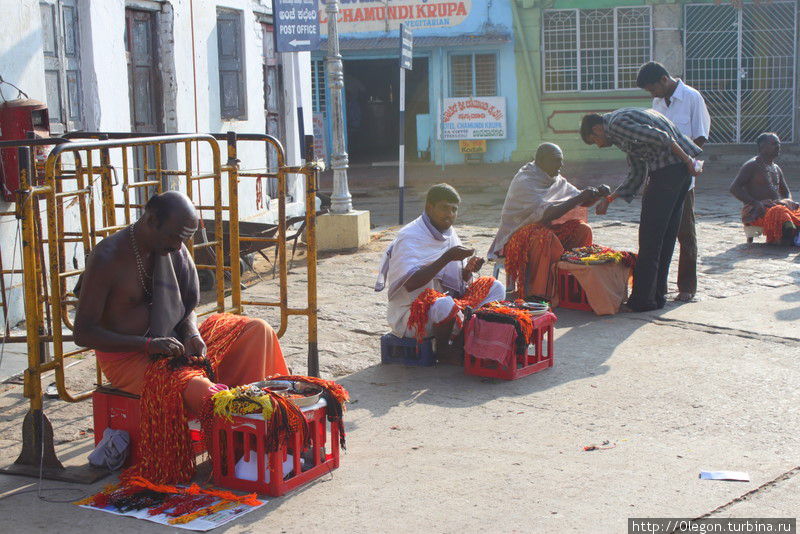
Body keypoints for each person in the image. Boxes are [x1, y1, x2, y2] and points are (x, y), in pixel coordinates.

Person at [73, 191, 289, 416]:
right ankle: (243, 428)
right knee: (206, 394)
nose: (178, 247)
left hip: (174, 345)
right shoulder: (108, 257)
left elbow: (185, 310)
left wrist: (191, 334)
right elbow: (83, 333)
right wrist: (148, 344)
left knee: (257, 331)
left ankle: (264, 413)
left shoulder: (172, 247)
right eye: (174, 238)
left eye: (183, 240)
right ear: (152, 221)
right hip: (130, 359)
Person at [582, 108, 703, 312]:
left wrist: (688, 161)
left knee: (650, 237)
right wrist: (610, 199)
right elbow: (637, 173)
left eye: (594, 140)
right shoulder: (621, 129)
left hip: (670, 170)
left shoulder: (617, 125)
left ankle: (643, 300)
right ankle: (657, 295)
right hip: (677, 172)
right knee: (665, 235)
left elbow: (661, 137)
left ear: (597, 129)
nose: (599, 145)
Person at [375, 184, 505, 362]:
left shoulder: (449, 233)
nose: (450, 214)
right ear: (429, 207)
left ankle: (461, 344)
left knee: (495, 287)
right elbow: (411, 283)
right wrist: (447, 257)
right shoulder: (409, 236)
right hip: (412, 316)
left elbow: (461, 282)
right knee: (443, 304)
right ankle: (444, 352)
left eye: (454, 210)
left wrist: (468, 270)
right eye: (444, 208)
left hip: (448, 307)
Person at [487, 143, 608, 301]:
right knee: (545, 238)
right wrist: (580, 197)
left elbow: (579, 200)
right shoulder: (525, 180)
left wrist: (597, 194)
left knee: (583, 230)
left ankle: (571, 283)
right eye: (557, 160)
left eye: (561, 160)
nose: (561, 164)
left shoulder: (555, 178)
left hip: (545, 228)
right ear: (541, 160)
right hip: (516, 236)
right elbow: (546, 214)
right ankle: (538, 293)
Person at [637, 61, 711, 302]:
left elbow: (700, 136)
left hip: (682, 176)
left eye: (652, 89)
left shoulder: (691, 97)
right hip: (660, 175)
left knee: (684, 231)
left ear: (663, 79)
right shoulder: (657, 103)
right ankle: (659, 286)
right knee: (660, 233)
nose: (653, 94)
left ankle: (687, 286)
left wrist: (684, 162)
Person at [730, 133, 799, 245]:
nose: (778, 146)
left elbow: (786, 192)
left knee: (791, 208)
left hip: (778, 206)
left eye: (779, 144)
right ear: (762, 147)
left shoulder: (776, 168)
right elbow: (734, 188)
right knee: (779, 212)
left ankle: (793, 235)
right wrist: (756, 203)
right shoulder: (751, 165)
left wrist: (787, 201)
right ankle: (787, 238)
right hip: (757, 211)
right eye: (774, 144)